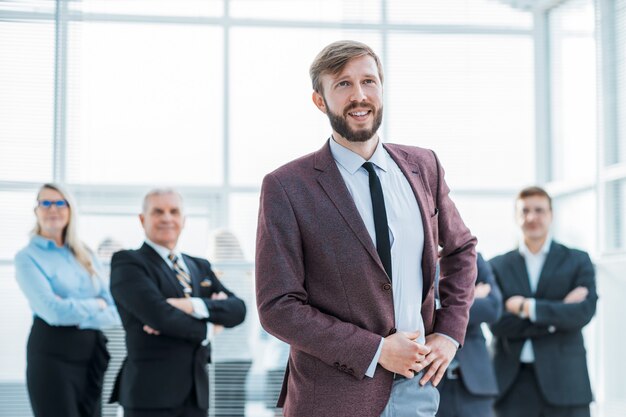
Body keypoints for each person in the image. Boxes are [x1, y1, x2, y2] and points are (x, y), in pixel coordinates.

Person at [255, 40, 477, 417]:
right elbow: (278, 306)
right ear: (320, 100)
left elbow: (461, 249)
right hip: (332, 397)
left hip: (416, 389)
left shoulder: (424, 166)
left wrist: (450, 333)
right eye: (343, 84)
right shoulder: (287, 186)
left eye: (368, 81)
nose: (359, 95)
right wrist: (375, 350)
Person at [109, 188, 246, 417]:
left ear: (183, 220)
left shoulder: (199, 266)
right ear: (142, 219)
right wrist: (210, 327)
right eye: (158, 211)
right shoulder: (128, 263)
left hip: (196, 394)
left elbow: (238, 310)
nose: (167, 218)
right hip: (150, 395)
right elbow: (160, 317)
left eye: (174, 211)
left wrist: (191, 305)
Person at [489, 186, 597, 417]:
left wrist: (525, 308)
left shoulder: (578, 260)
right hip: (511, 384)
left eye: (539, 210)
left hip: (566, 383)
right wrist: (557, 316)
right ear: (516, 217)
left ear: (551, 214)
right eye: (525, 211)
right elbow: (497, 322)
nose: (532, 217)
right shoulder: (496, 265)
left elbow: (583, 312)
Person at [14, 183, 120, 417]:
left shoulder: (85, 253)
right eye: (46, 203)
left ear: (70, 210)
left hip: (91, 356)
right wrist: (95, 304)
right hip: (52, 358)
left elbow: (113, 308)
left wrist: (73, 308)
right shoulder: (27, 258)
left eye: (60, 202)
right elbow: (53, 312)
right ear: (36, 211)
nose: (53, 209)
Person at [436, 253, 502, 417]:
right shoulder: (410, 255)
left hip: (475, 386)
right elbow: (414, 311)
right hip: (430, 383)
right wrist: (469, 296)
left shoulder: (473, 258)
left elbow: (493, 308)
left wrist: (439, 303)